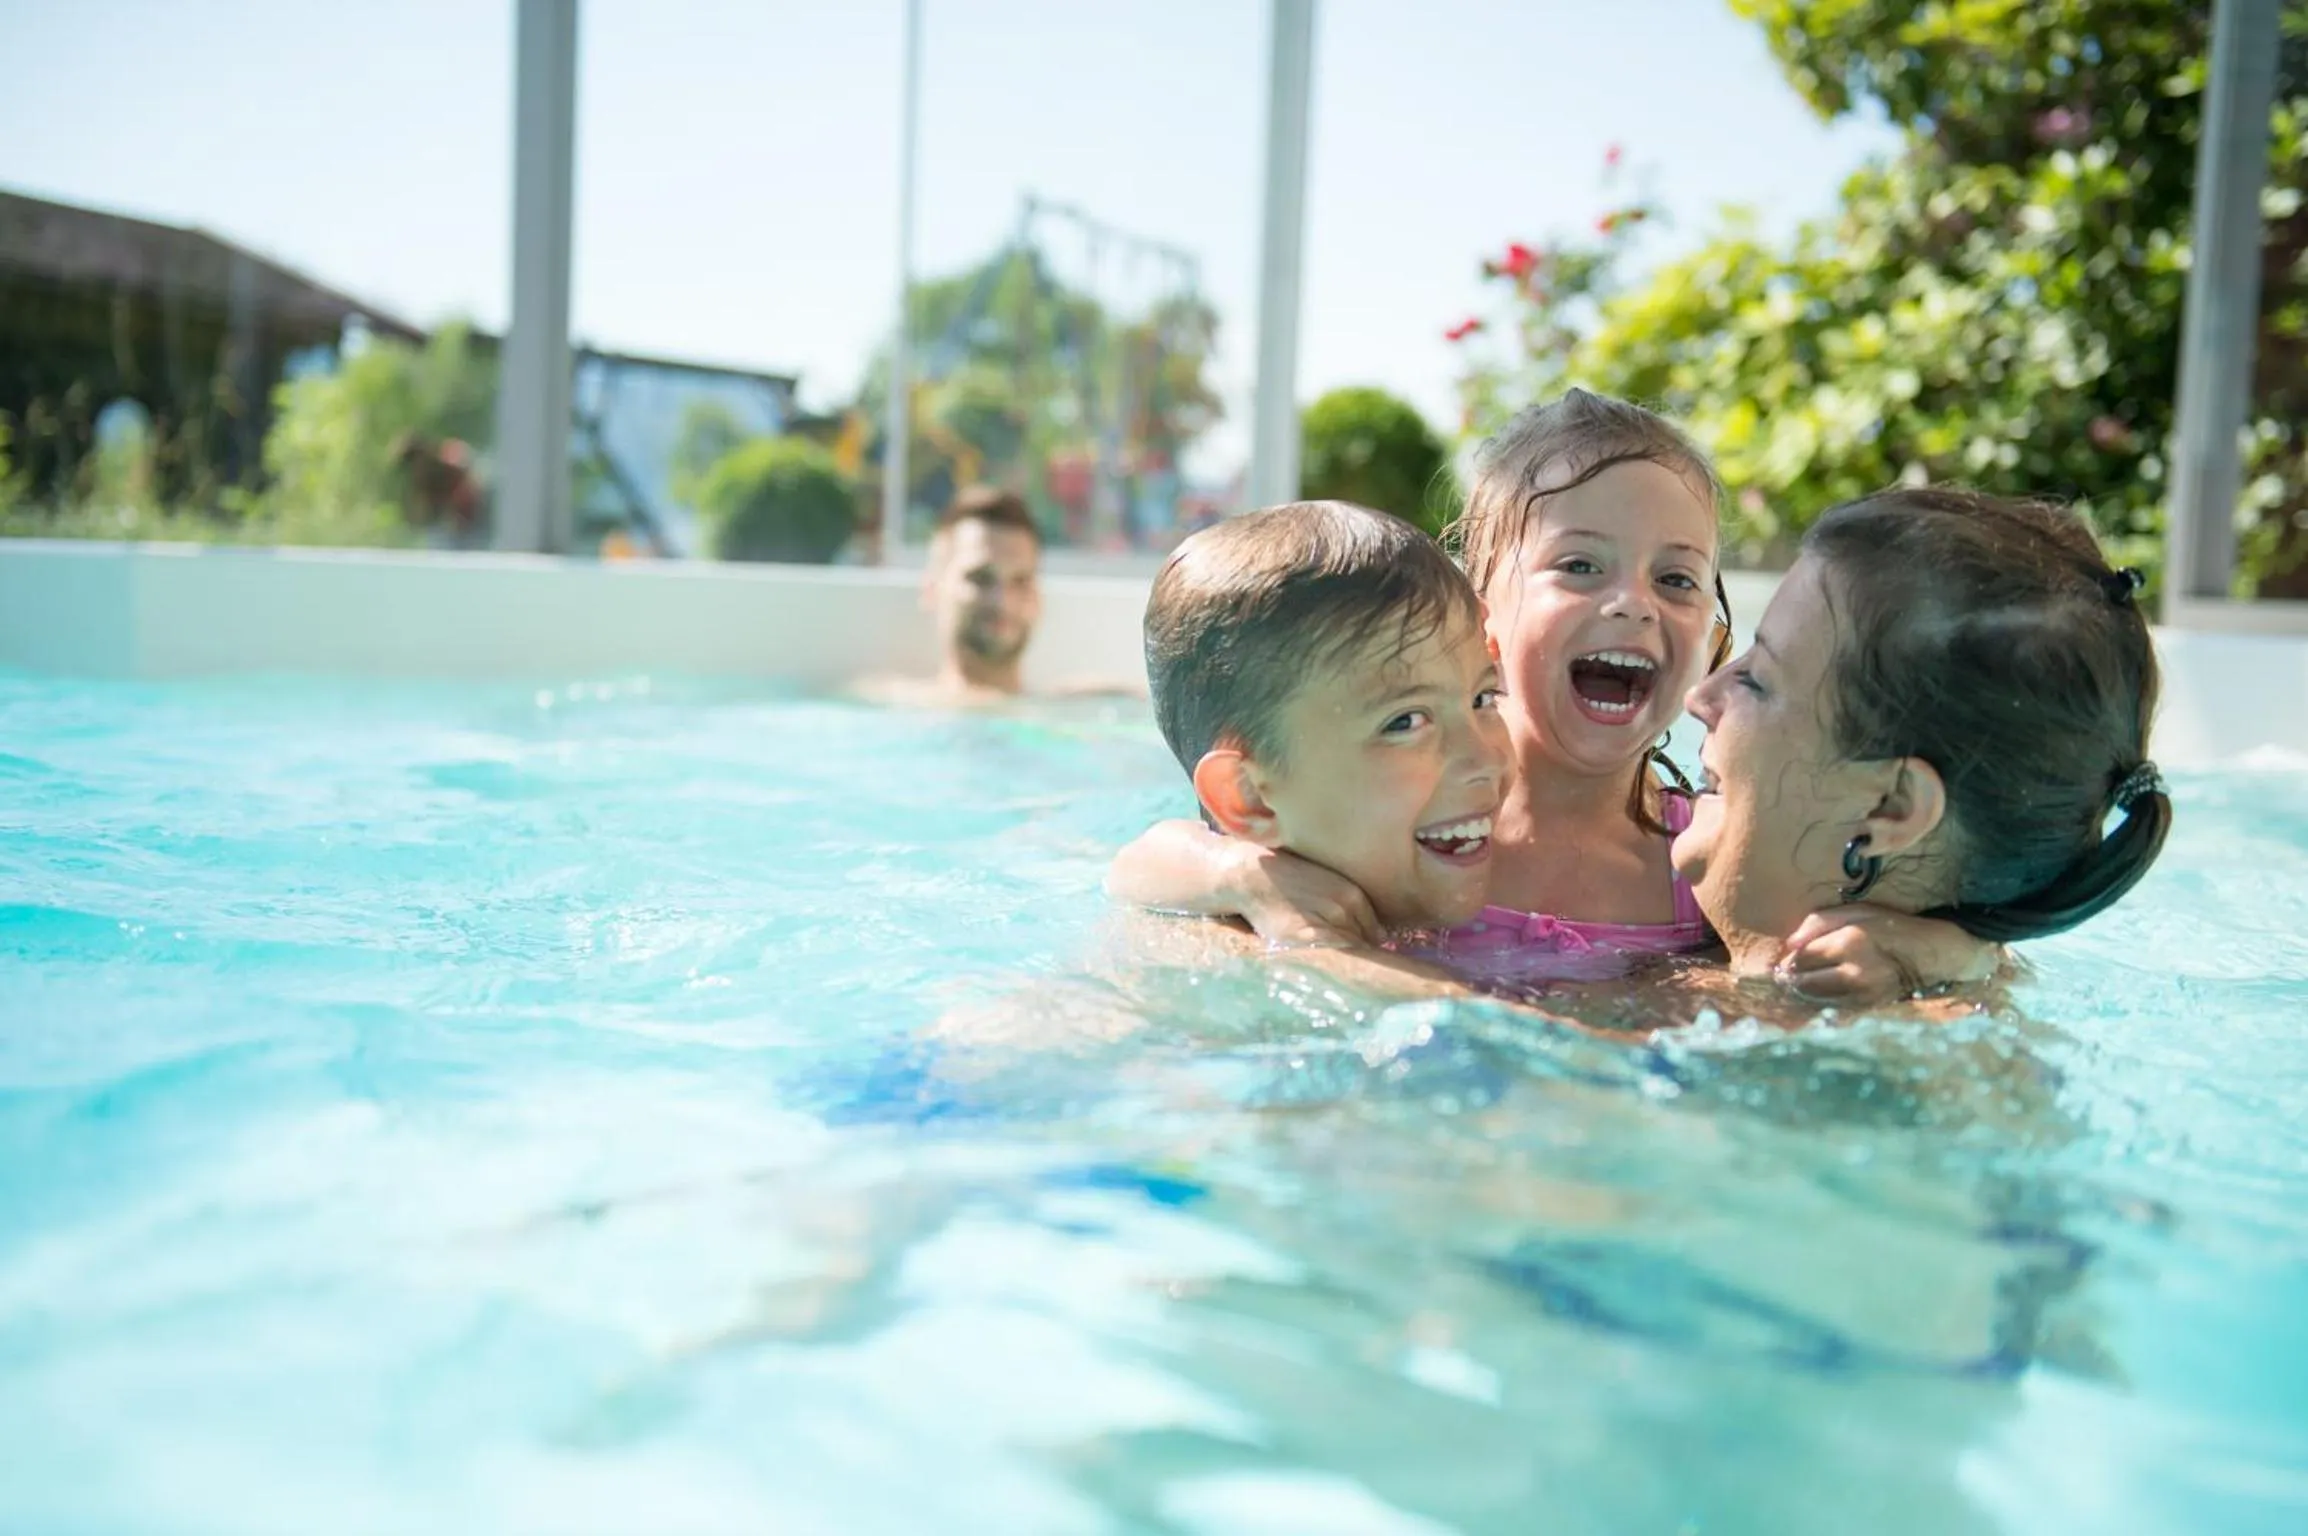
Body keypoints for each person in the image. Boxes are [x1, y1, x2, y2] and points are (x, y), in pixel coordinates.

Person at [1110, 390, 1986, 1000]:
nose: (1634, 601)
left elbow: (1929, 941)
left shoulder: (1706, 857)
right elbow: (1149, 861)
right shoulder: (1401, 815)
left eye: (1678, 579)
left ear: (1712, 636)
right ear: (1477, 616)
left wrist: (1920, 953)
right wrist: (1239, 873)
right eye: (1579, 565)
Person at [1675, 486, 2171, 978]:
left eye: (1757, 680)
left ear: (1891, 806)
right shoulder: (1945, 1005)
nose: (1699, 697)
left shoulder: (1842, 1047)